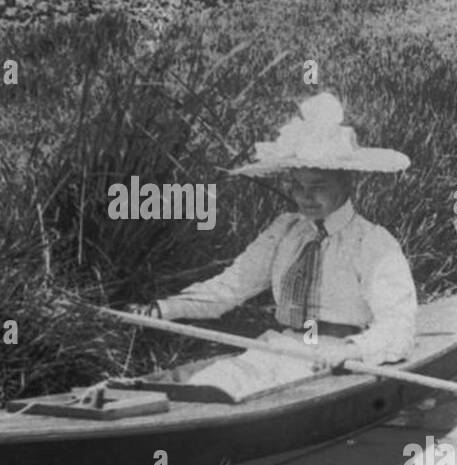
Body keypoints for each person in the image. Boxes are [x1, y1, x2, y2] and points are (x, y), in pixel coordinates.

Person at [129, 92, 417, 372]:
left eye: (318, 186)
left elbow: (398, 324)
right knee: (217, 382)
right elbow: (231, 288)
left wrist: (350, 350)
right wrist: (163, 309)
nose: (305, 197)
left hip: (341, 358)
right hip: (283, 347)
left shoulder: (372, 242)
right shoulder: (285, 230)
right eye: (298, 186)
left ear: (346, 183)